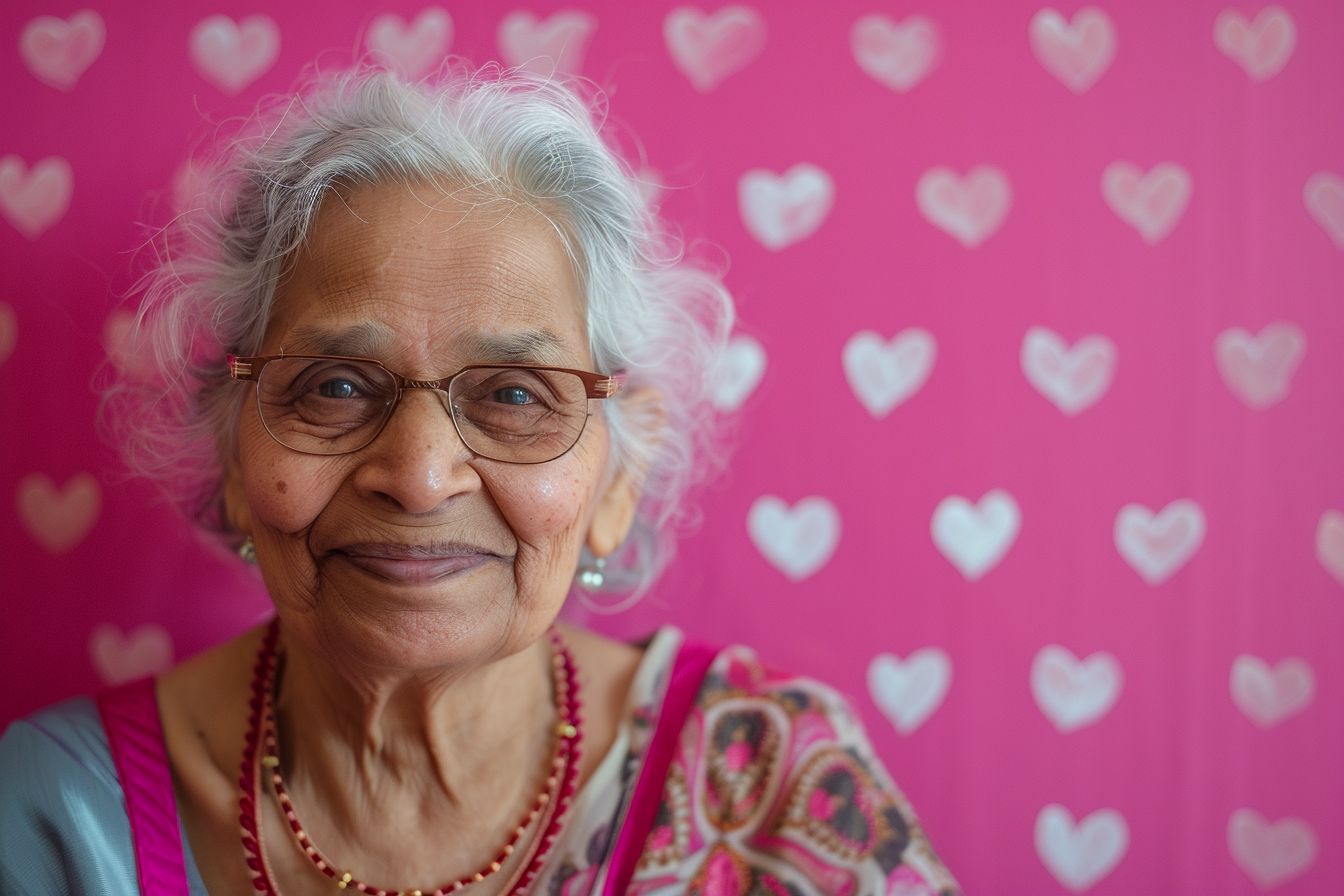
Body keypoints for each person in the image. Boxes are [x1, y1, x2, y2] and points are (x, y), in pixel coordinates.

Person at [0, 66, 960, 896]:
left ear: (615, 481)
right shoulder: (56, 815)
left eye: (513, 393)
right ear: (235, 457)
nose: (419, 477)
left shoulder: (773, 786)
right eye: (335, 386)